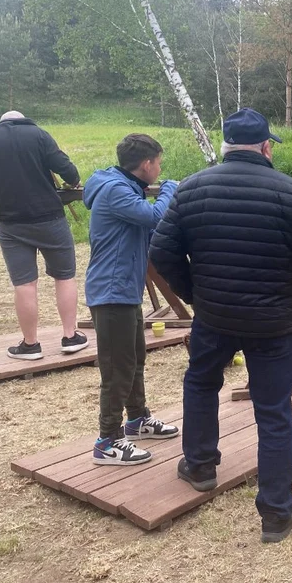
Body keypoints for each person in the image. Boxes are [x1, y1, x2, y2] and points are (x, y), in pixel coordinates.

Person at [150, 107, 292, 544]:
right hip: (274, 321)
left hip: (214, 318)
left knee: (200, 384)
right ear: (266, 146)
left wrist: (195, 293)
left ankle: (199, 466)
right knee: (272, 412)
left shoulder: (190, 189)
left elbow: (161, 252)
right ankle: (276, 513)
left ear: (224, 146)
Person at [0, 111, 88, 359]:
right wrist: (72, 181)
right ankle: (70, 336)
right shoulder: (39, 135)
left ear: (1, 123)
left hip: (11, 224)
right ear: (23, 120)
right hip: (50, 218)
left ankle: (31, 345)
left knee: (25, 284)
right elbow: (68, 170)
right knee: (64, 277)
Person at [83, 134, 180, 466]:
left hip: (124, 291)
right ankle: (107, 441)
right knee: (117, 370)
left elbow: (148, 232)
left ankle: (138, 419)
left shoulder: (124, 187)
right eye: (159, 164)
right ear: (146, 165)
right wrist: (170, 190)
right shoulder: (115, 190)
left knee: (135, 359)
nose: (160, 169)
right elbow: (154, 217)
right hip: (111, 295)